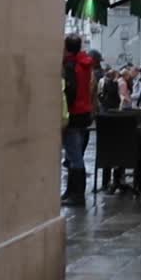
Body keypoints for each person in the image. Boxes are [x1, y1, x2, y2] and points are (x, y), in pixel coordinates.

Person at [62, 35, 94, 208]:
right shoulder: (85, 63)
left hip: (74, 114)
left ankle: (76, 195)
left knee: (74, 155)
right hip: (84, 112)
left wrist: (65, 108)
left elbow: (70, 90)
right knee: (74, 154)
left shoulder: (71, 65)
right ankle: (70, 192)